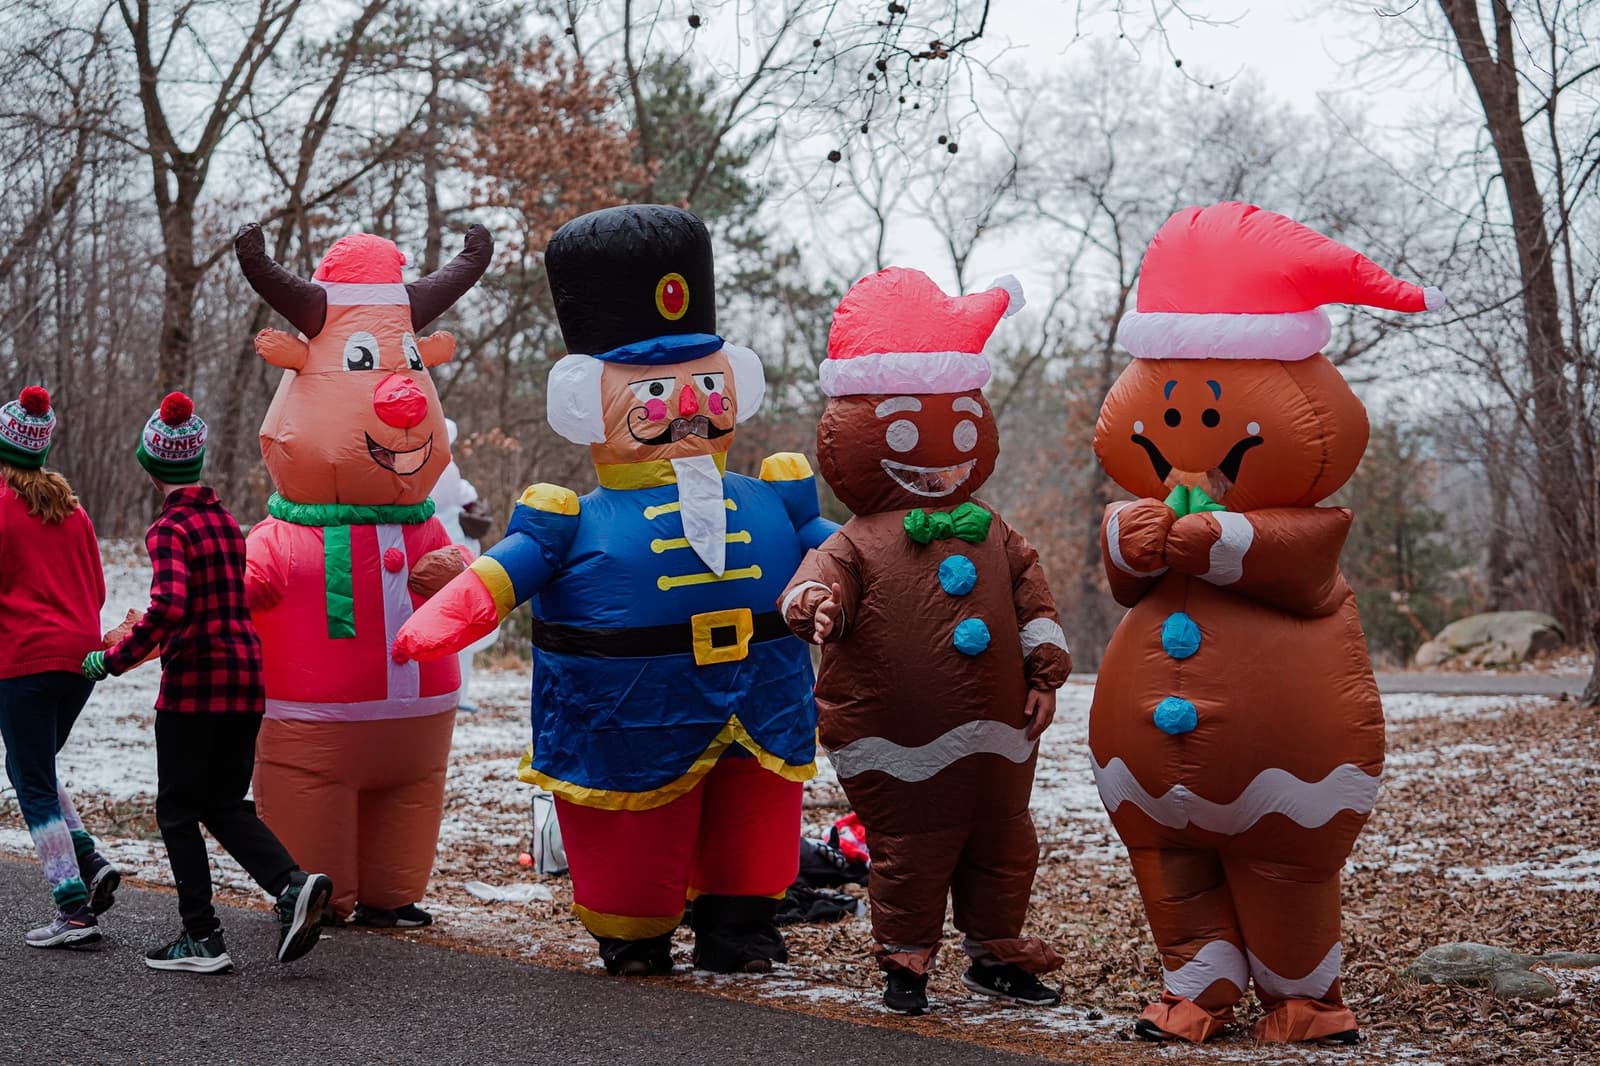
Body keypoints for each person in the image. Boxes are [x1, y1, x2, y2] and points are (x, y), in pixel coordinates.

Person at [396, 204, 836, 976]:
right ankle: (635, 934)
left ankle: (741, 923)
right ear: (589, 402)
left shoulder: (778, 494)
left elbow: (847, 558)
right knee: (637, 842)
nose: (686, 407)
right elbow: (511, 572)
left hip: (762, 701)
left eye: (703, 382)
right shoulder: (568, 517)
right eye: (655, 393)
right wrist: (449, 613)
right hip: (628, 717)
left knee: (755, 828)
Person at [780, 268, 1073, 1015]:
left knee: (1004, 844)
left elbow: (1032, 598)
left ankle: (996, 951)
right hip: (897, 736)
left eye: (958, 429)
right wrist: (812, 605)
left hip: (1000, 735)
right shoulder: (857, 540)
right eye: (906, 431)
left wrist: (1045, 670)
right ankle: (906, 962)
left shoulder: (997, 532)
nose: (940, 453)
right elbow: (817, 585)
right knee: (912, 847)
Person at [82, 392, 332, 973]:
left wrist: (112, 660)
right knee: (221, 803)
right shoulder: (224, 522)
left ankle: (202, 937)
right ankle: (292, 885)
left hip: (196, 687)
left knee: (175, 810)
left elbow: (168, 607)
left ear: (151, 466)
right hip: (245, 681)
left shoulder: (170, 529)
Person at [0, 386, 121, 948]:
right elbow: (96, 588)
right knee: (37, 767)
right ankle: (91, 862)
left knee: (31, 783)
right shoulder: (73, 511)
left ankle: (72, 908)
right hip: (79, 661)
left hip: (24, 660)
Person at [428, 418, 498, 712]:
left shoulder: (450, 477)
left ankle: (457, 693)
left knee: (458, 624)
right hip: (443, 554)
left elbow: (472, 509)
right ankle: (447, 691)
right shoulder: (435, 474)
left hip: (456, 555)